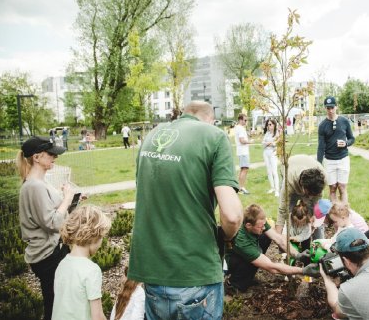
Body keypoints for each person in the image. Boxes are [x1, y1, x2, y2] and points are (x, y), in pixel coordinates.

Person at [128, 101, 243, 320]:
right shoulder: (214, 136)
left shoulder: (152, 136)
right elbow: (232, 215)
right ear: (210, 119)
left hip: (152, 270)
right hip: (194, 270)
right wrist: (227, 236)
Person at [16, 136, 74, 320]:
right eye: (50, 154)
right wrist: (67, 199)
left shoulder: (40, 182)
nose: (54, 158)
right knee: (55, 305)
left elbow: (54, 211)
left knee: (62, 301)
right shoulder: (34, 186)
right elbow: (52, 223)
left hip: (53, 250)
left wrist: (72, 200)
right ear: (37, 157)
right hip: (47, 256)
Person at [226, 204, 318, 292]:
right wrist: (303, 271)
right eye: (260, 227)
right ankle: (234, 284)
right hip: (232, 260)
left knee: (265, 237)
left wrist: (298, 255)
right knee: (248, 264)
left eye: (264, 224)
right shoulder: (242, 241)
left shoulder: (259, 221)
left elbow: (279, 239)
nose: (263, 227)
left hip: (249, 249)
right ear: (248, 225)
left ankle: (247, 277)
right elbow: (273, 268)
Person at [52, 205, 110, 320]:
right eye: (101, 237)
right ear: (93, 236)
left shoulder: (62, 264)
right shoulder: (91, 270)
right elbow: (97, 317)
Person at [275, 154, 326, 239]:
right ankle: (287, 243)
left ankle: (319, 243)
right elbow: (282, 211)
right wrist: (278, 239)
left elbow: (317, 202)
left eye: (313, 195)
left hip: (307, 172)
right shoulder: (288, 183)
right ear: (302, 187)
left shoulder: (323, 178)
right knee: (289, 214)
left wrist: (314, 215)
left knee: (316, 217)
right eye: (308, 195)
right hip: (290, 170)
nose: (309, 198)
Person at [317, 96, 355, 204]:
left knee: (342, 187)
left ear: (336, 107)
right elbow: (320, 147)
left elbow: (352, 139)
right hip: (329, 161)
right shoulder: (322, 126)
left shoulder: (344, 121)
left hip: (343, 159)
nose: (330, 110)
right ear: (325, 108)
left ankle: (345, 214)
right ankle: (334, 215)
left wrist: (346, 143)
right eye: (328, 108)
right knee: (332, 188)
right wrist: (319, 165)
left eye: (332, 107)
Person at [234, 113, 252, 194]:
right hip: (243, 152)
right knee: (245, 169)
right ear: (240, 120)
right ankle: (241, 187)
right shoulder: (240, 128)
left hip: (241, 151)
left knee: (243, 169)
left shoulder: (238, 127)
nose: (246, 121)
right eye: (245, 120)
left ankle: (239, 187)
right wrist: (249, 142)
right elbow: (242, 140)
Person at [262, 118, 280, 197]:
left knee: (274, 171)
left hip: (273, 152)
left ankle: (277, 190)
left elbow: (276, 143)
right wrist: (269, 143)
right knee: (269, 171)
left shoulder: (277, 134)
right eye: (268, 125)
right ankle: (272, 187)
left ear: (274, 125)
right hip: (266, 152)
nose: (268, 126)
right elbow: (263, 143)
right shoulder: (267, 133)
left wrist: (270, 143)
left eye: (270, 124)